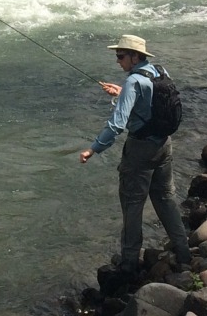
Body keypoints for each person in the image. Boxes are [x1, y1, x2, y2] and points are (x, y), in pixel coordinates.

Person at [79, 34, 190, 275]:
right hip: (164, 145)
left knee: (132, 204)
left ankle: (129, 263)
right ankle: (184, 252)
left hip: (140, 151)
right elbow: (153, 105)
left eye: (120, 56)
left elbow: (117, 124)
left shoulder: (133, 82)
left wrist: (93, 148)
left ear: (134, 56)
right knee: (166, 199)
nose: (118, 61)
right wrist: (122, 93)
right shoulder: (160, 72)